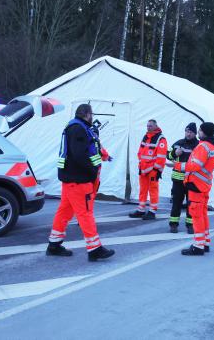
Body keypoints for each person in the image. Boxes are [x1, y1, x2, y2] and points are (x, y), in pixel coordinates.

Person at [47, 104, 115, 262]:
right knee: (85, 213)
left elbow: (92, 149)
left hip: (70, 178)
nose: (92, 117)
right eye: (91, 114)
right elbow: (80, 155)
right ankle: (95, 249)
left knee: (64, 212)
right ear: (87, 114)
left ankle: (54, 245)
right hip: (79, 179)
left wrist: (103, 157)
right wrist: (91, 172)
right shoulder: (79, 128)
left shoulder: (76, 127)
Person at [181, 122, 214, 256]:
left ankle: (198, 246)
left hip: (196, 184)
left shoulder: (203, 146)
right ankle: (205, 242)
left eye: (199, 130)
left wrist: (177, 165)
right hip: (204, 184)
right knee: (203, 214)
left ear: (204, 132)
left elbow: (195, 166)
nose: (198, 132)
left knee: (197, 215)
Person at [129, 119, 168, 220]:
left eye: (150, 126)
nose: (148, 127)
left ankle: (152, 211)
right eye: (147, 126)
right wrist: (141, 164)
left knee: (153, 190)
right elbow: (140, 151)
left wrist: (156, 169)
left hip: (153, 169)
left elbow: (161, 157)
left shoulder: (161, 139)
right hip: (143, 169)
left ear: (156, 126)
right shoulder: (146, 136)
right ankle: (141, 209)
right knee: (142, 190)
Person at [166, 122, 198, 233]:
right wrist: (175, 153)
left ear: (195, 133)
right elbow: (168, 155)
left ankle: (190, 225)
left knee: (191, 204)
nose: (188, 134)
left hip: (192, 180)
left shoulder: (199, 145)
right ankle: (173, 224)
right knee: (176, 203)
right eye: (187, 131)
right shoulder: (178, 143)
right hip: (178, 180)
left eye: (191, 132)